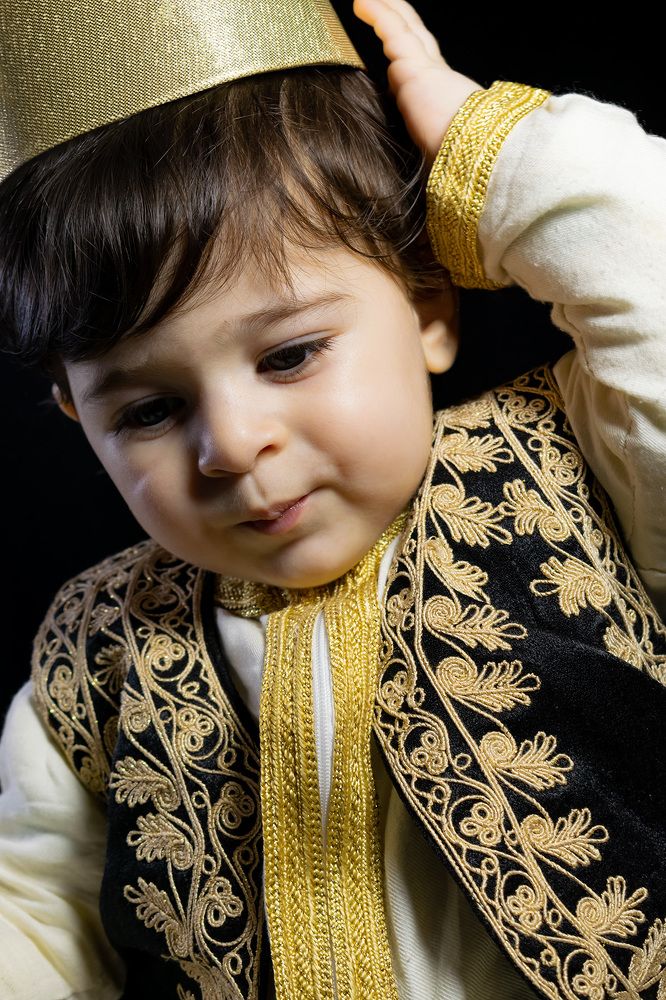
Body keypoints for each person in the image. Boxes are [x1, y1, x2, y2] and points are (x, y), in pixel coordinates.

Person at [0, 0, 665, 997]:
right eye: (149, 409)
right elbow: (32, 922)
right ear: (77, 418)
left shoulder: (587, 474)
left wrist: (495, 156)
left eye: (289, 354)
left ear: (428, 300)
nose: (231, 444)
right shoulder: (96, 658)